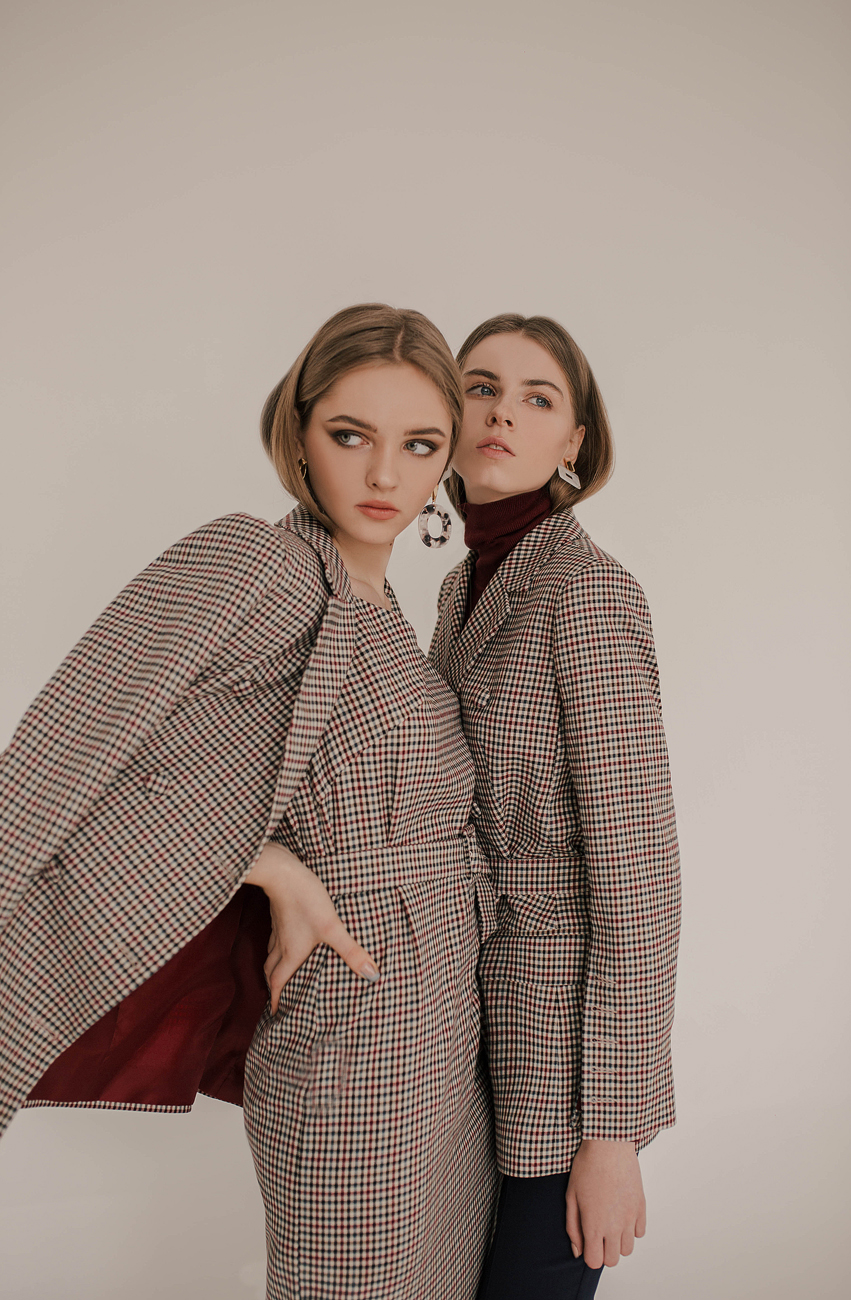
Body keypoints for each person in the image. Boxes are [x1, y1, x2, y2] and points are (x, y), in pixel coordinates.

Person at [0, 304, 499, 1299]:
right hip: (352, 1027)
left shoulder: (393, 609)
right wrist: (270, 867)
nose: (384, 474)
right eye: (350, 435)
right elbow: (65, 755)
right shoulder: (255, 562)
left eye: (419, 444)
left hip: (450, 1024)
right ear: (298, 434)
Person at [429, 314, 681, 1299]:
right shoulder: (458, 586)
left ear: (573, 442)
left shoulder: (586, 591)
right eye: (481, 387)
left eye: (538, 398)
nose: (502, 413)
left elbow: (638, 873)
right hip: (460, 1031)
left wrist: (611, 1134)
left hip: (562, 1064)